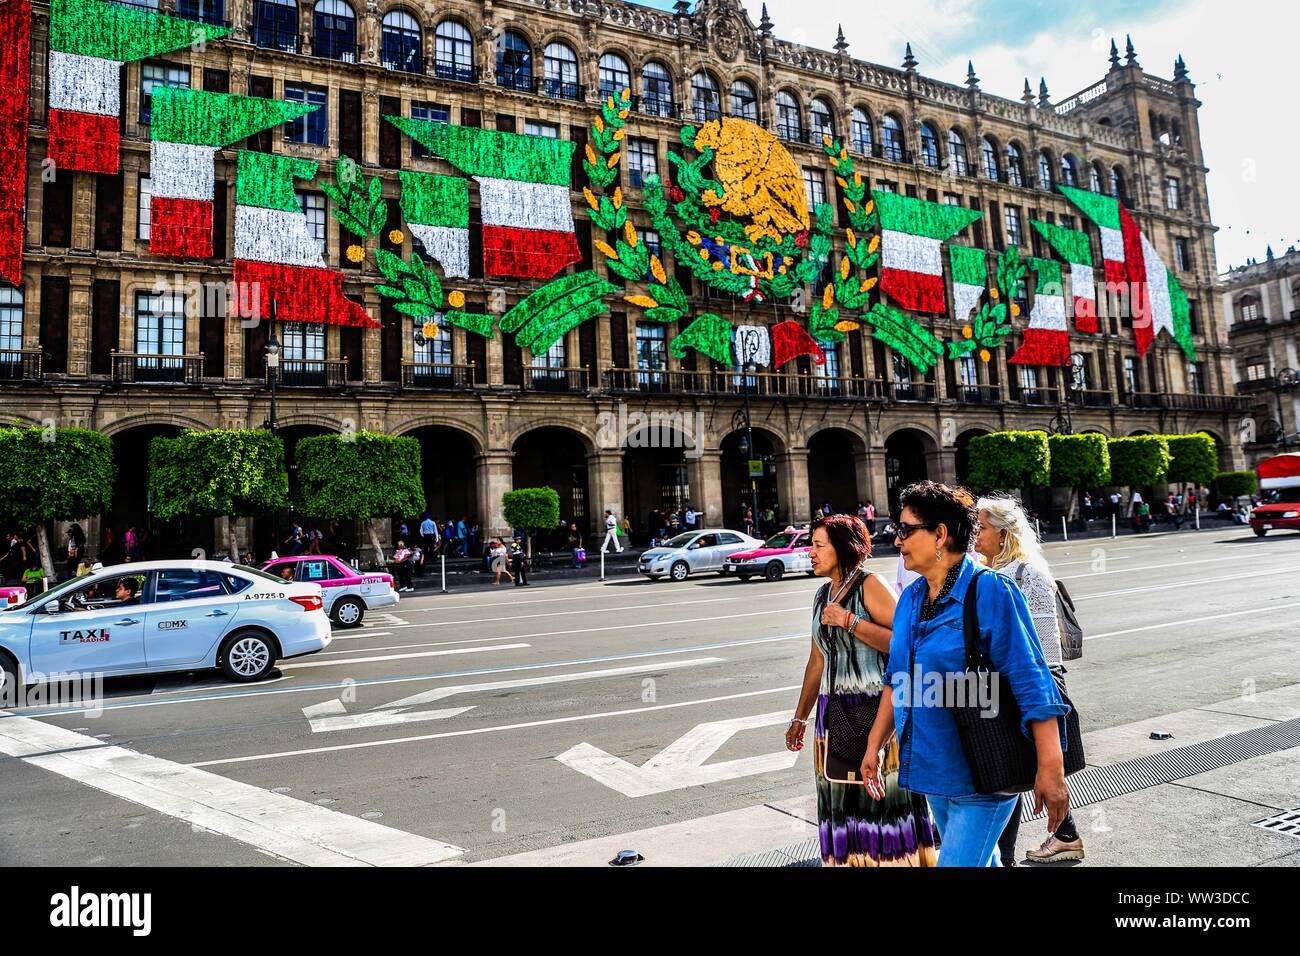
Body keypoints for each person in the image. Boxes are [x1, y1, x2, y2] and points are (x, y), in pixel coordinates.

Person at [860, 481, 1071, 867]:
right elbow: (897, 678)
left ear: (940, 533)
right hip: (933, 772)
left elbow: (1032, 683)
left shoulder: (991, 591)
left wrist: (1051, 769)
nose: (897, 537)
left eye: (906, 529)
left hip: (984, 771)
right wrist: (875, 744)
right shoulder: (910, 597)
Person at [787, 514, 938, 866]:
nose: (811, 552)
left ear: (842, 549)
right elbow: (817, 660)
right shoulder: (823, 595)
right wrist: (800, 717)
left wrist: (850, 622)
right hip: (833, 714)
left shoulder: (870, 585)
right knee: (840, 799)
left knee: (880, 803)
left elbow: (904, 643)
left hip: (876, 713)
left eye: (819, 545)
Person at [975, 495, 1085, 865]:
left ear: (1004, 535)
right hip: (1006, 687)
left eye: (983, 527)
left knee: (1010, 776)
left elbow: (1043, 651)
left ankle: (1006, 856)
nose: (976, 533)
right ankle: (1065, 835)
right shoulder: (991, 573)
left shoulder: (1027, 574)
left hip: (1030, 688)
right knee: (1013, 774)